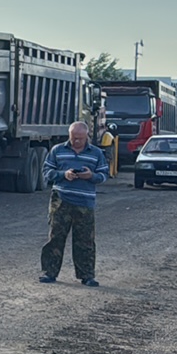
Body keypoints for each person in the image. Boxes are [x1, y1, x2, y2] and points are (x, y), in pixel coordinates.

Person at [41, 121, 109, 286]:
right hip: (61, 200)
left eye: (80, 138)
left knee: (85, 240)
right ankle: (49, 273)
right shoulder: (57, 150)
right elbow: (47, 171)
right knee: (55, 238)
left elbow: (104, 175)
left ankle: (87, 276)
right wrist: (64, 174)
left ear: (87, 136)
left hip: (85, 203)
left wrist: (91, 176)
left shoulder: (96, 153)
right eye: (73, 138)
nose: (76, 141)